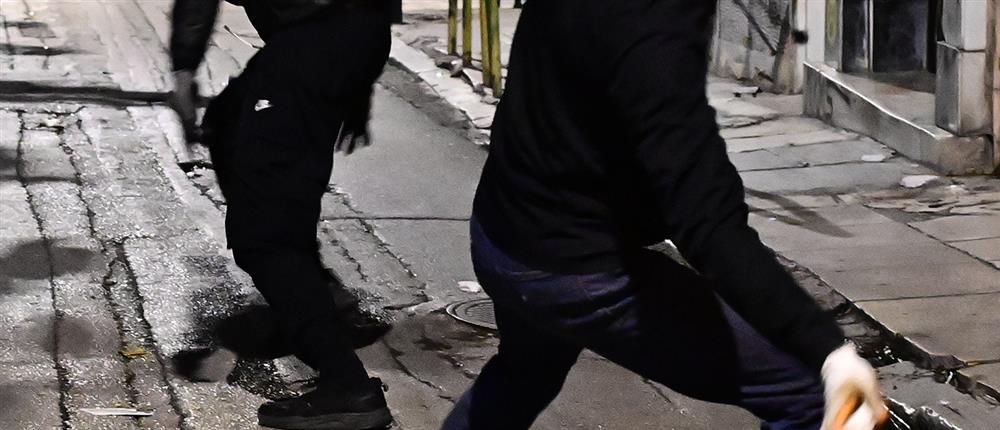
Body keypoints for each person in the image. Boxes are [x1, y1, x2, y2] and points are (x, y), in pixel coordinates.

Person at [442, 1, 886, 429]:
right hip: (570, 264)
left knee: (523, 374)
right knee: (808, 394)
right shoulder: (653, 26)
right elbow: (706, 219)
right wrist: (828, 352)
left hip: (505, 229)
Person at [167, 0, 394, 428]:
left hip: (319, 38)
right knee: (229, 122)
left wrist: (183, 68)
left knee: (264, 236)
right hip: (339, 34)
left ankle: (347, 385)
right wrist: (358, 78)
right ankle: (308, 292)